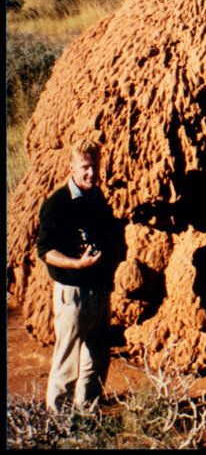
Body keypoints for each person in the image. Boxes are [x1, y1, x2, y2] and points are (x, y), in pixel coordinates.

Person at [36, 138, 123, 413]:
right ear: (71, 167)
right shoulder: (58, 203)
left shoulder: (97, 199)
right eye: (85, 167)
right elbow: (46, 250)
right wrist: (77, 264)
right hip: (72, 292)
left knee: (97, 361)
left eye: (95, 166)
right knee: (67, 362)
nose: (91, 173)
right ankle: (59, 423)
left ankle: (88, 418)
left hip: (99, 291)